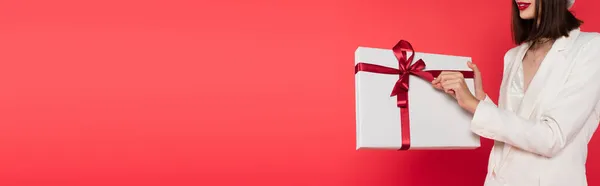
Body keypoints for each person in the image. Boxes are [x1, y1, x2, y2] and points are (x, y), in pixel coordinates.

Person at [431, 0, 600, 185]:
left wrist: (476, 105)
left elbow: (552, 138)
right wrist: (480, 98)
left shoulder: (590, 48)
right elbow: (513, 129)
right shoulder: (513, 56)